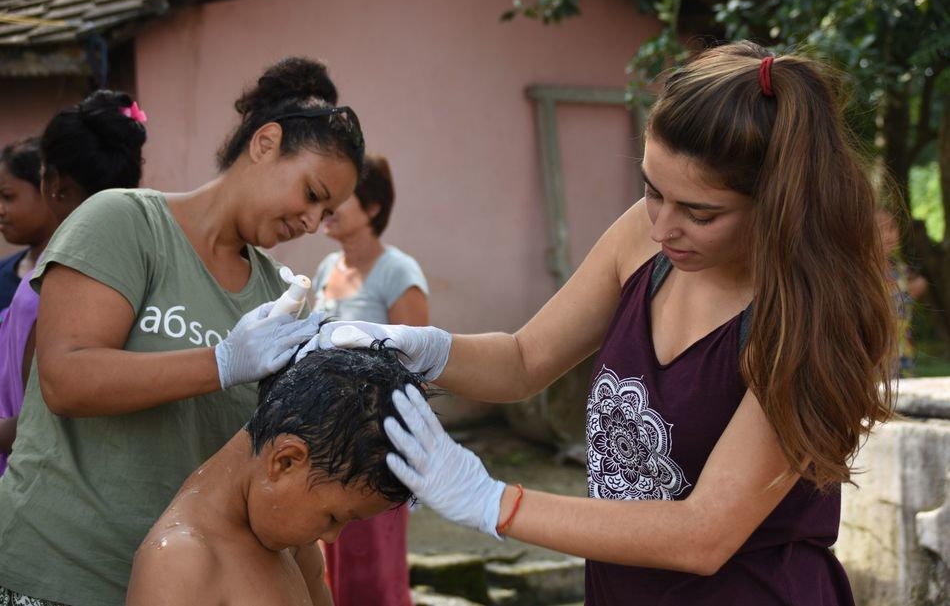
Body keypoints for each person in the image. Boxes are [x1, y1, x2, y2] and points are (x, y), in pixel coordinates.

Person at [306, 41, 897, 605]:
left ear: (778, 202)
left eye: (700, 213)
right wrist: (422, 349)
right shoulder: (645, 240)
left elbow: (703, 535)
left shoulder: (809, 320)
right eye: (651, 190)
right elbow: (522, 361)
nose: (663, 227)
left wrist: (494, 502)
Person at [0, 57, 364, 606]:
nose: (313, 223)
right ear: (265, 143)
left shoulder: (277, 300)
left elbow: (261, 470)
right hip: (57, 576)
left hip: (182, 588)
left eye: (328, 210)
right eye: (312, 194)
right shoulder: (124, 222)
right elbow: (65, 378)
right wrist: (221, 362)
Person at [127, 345, 423, 606]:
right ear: (285, 461)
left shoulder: (294, 545)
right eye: (333, 517)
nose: (331, 537)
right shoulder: (183, 560)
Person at [0, 92, 146, 475]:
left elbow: (39, 417)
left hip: (39, 480)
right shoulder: (143, 264)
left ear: (55, 183)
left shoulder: (52, 284)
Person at [313, 153, 428, 606]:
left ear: (373, 208)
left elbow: (414, 370)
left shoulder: (399, 274)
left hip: (376, 448)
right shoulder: (326, 269)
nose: (327, 205)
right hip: (325, 442)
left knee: (374, 575)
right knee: (331, 565)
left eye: (341, 196)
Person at [0, 137, 57, 311]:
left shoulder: (76, 274)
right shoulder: (2, 273)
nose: (0, 210)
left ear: (49, 190)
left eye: (8, 196)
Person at [876, 207, 927, 376]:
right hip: (876, 357)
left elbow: (919, 284)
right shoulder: (863, 277)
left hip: (903, 354)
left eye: (892, 228)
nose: (888, 236)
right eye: (880, 230)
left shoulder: (902, 272)